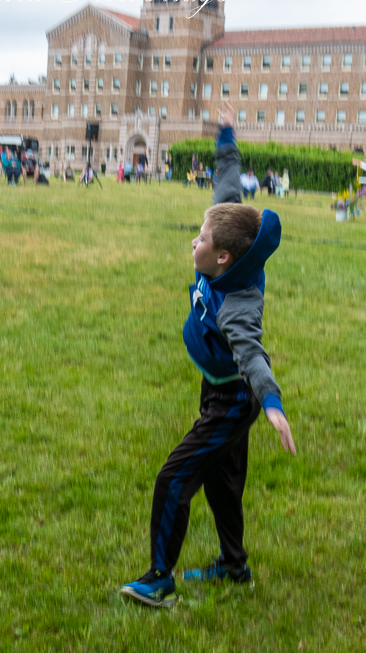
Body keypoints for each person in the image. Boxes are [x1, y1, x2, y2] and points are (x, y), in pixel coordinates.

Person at [120, 101, 295, 608]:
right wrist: (226, 135)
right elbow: (229, 183)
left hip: (234, 398)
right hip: (217, 385)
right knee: (223, 480)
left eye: (200, 238)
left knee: (175, 477)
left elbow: (252, 355)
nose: (192, 241)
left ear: (222, 257)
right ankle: (234, 567)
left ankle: (159, 579)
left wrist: (271, 403)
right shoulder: (229, 235)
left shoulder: (238, 303)